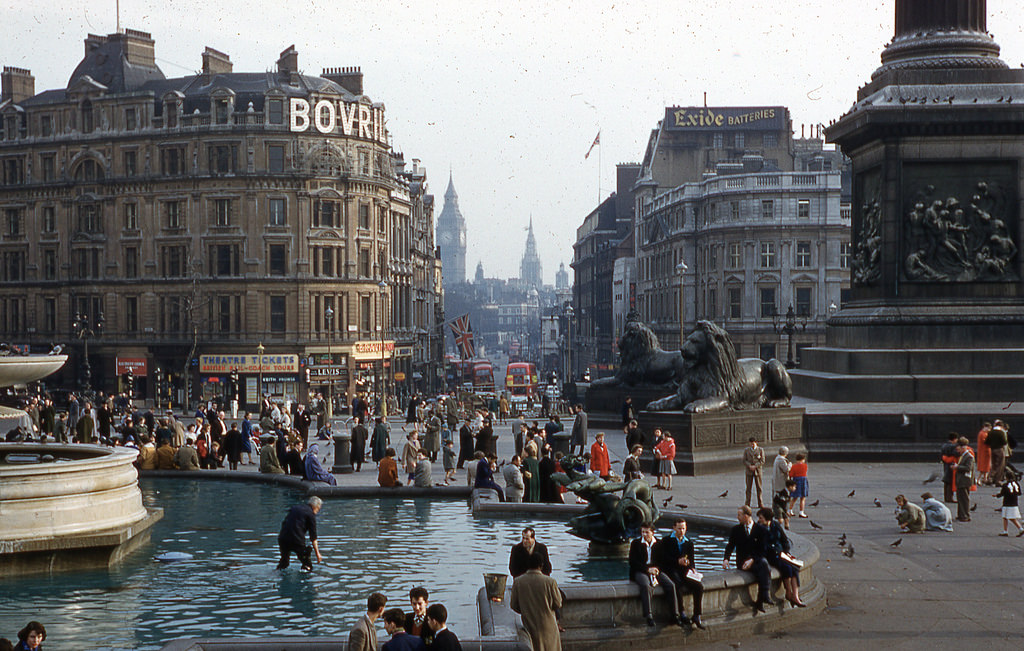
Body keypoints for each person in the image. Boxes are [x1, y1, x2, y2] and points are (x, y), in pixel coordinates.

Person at [629, 522, 685, 628]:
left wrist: (656, 569)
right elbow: (633, 562)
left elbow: (663, 560)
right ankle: (649, 615)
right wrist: (647, 569)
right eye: (642, 532)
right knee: (645, 585)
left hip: (656, 570)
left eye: (647, 532)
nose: (644, 534)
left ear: (652, 533)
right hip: (641, 571)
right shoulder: (635, 543)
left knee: (670, 585)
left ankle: (674, 615)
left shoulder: (659, 543)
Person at [722, 505, 774, 613]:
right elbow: (730, 545)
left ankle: (761, 598)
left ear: (746, 516)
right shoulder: (736, 530)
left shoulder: (761, 530)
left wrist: (752, 560)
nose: (737, 517)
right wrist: (726, 559)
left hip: (756, 560)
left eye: (739, 515)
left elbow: (763, 550)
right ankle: (764, 596)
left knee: (763, 565)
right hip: (742, 562)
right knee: (764, 568)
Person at [658, 519, 706, 629]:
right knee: (677, 585)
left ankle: (697, 615)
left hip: (684, 570)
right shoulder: (666, 540)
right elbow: (663, 558)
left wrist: (691, 567)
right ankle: (682, 612)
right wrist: (677, 561)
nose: (681, 531)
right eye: (679, 528)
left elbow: (692, 559)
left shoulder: (688, 542)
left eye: (683, 528)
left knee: (699, 586)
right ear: (674, 528)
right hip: (670, 569)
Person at [510, 552, 563, 651]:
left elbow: (514, 605)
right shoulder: (550, 582)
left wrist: (526, 609)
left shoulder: (518, 582)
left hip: (529, 626)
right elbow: (558, 603)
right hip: (549, 628)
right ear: (541, 565)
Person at [757, 507, 805, 608]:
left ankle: (795, 595)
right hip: (771, 556)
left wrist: (785, 551)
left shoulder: (776, 525)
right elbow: (762, 546)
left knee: (795, 568)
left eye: (761, 518)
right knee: (787, 568)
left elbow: (784, 539)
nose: (759, 520)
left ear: (767, 518)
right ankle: (788, 592)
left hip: (781, 553)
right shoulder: (760, 529)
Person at [276, 496, 323, 571]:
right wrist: (318, 554)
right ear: (316, 507)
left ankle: (277, 572)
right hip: (296, 540)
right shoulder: (310, 514)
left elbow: (285, 522)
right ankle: (305, 576)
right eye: (318, 509)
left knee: (284, 563)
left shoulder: (295, 508)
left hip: (283, 538)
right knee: (307, 565)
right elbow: (313, 537)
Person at [994, 472, 1023, 536]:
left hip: (1007, 503)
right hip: (1015, 503)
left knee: (1006, 517)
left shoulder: (1005, 485)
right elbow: (1019, 493)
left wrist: (996, 495)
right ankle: (1018, 529)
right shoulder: (1016, 484)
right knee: (1010, 517)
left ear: (1006, 477)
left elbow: (1002, 493)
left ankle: (1007, 531)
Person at [955, 436, 976, 522]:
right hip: (962, 480)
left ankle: (965, 515)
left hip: (965, 480)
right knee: (960, 498)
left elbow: (968, 468)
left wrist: (957, 467)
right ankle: (961, 514)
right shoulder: (963, 456)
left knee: (964, 499)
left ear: (963, 447)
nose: (957, 450)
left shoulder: (969, 456)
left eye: (958, 448)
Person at [742, 436, 766, 508]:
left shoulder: (760, 450)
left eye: (753, 444)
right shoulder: (746, 450)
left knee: (759, 488)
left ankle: (760, 502)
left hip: (757, 471)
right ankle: (747, 503)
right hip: (749, 471)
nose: (752, 445)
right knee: (748, 488)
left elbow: (762, 460)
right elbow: (744, 460)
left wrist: (755, 466)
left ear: (756, 443)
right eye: (751, 444)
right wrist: (749, 466)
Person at [940, 432, 960, 503]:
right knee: (951, 481)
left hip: (946, 464)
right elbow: (957, 454)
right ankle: (949, 497)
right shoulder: (953, 446)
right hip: (952, 464)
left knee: (946, 481)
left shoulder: (944, 445)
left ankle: (946, 497)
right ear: (954, 439)